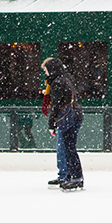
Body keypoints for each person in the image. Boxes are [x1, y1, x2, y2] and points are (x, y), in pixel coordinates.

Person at [42, 57, 84, 192]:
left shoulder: (58, 82)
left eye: (46, 70)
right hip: (73, 116)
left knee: (67, 147)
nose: (46, 73)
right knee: (68, 147)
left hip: (68, 118)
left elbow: (56, 105)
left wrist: (51, 123)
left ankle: (74, 177)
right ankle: (71, 176)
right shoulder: (64, 79)